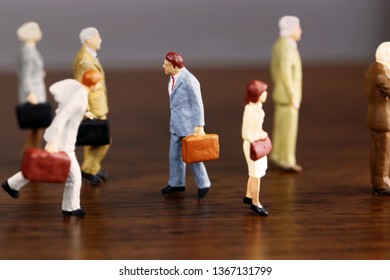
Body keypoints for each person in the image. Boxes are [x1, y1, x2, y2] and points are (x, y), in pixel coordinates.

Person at [1, 70, 103, 218]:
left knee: (40, 166)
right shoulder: (79, 97)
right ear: (93, 83)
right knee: (74, 176)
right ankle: (70, 208)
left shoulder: (79, 91)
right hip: (63, 142)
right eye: (99, 81)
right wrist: (52, 141)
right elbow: (61, 117)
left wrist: (83, 114)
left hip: (65, 141)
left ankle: (11, 184)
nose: (100, 84)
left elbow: (66, 109)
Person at [161, 52, 211, 199]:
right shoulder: (172, 78)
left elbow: (198, 104)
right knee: (174, 155)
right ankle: (176, 183)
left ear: (175, 66)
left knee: (193, 157)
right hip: (176, 124)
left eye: (166, 64)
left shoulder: (189, 80)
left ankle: (204, 183)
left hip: (189, 126)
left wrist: (199, 125)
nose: (163, 66)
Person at [73, 27, 110, 185]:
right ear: (88, 40)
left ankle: (92, 168)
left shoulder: (90, 56)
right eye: (97, 37)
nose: (100, 40)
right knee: (102, 140)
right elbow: (81, 87)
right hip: (93, 107)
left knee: (94, 140)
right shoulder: (84, 61)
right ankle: (88, 170)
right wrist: (86, 109)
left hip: (98, 104)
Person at [269, 15, 303, 172]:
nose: (300, 31)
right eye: (298, 28)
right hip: (288, 96)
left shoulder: (282, 45)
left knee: (282, 127)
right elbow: (285, 73)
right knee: (288, 129)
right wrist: (292, 95)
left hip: (283, 94)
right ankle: (287, 160)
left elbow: (275, 70)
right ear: (290, 30)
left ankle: (277, 155)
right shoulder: (286, 47)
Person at [16, 22, 47, 151]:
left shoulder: (27, 50)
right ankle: (31, 154)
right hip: (34, 93)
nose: (40, 32)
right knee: (37, 126)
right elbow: (26, 75)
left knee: (36, 127)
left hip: (35, 90)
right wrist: (30, 93)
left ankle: (32, 154)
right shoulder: (28, 52)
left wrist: (39, 73)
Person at [366, 42, 390, 195]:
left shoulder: (372, 69)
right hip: (383, 119)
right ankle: (382, 183)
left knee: (377, 151)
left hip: (375, 117)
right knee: (384, 152)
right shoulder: (381, 73)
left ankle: (378, 181)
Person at [242, 80, 269, 216]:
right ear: (257, 94)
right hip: (253, 145)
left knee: (253, 173)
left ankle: (248, 195)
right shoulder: (256, 112)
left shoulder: (252, 108)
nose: (266, 94)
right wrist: (262, 134)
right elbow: (248, 133)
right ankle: (255, 202)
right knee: (256, 175)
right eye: (264, 92)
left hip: (251, 144)